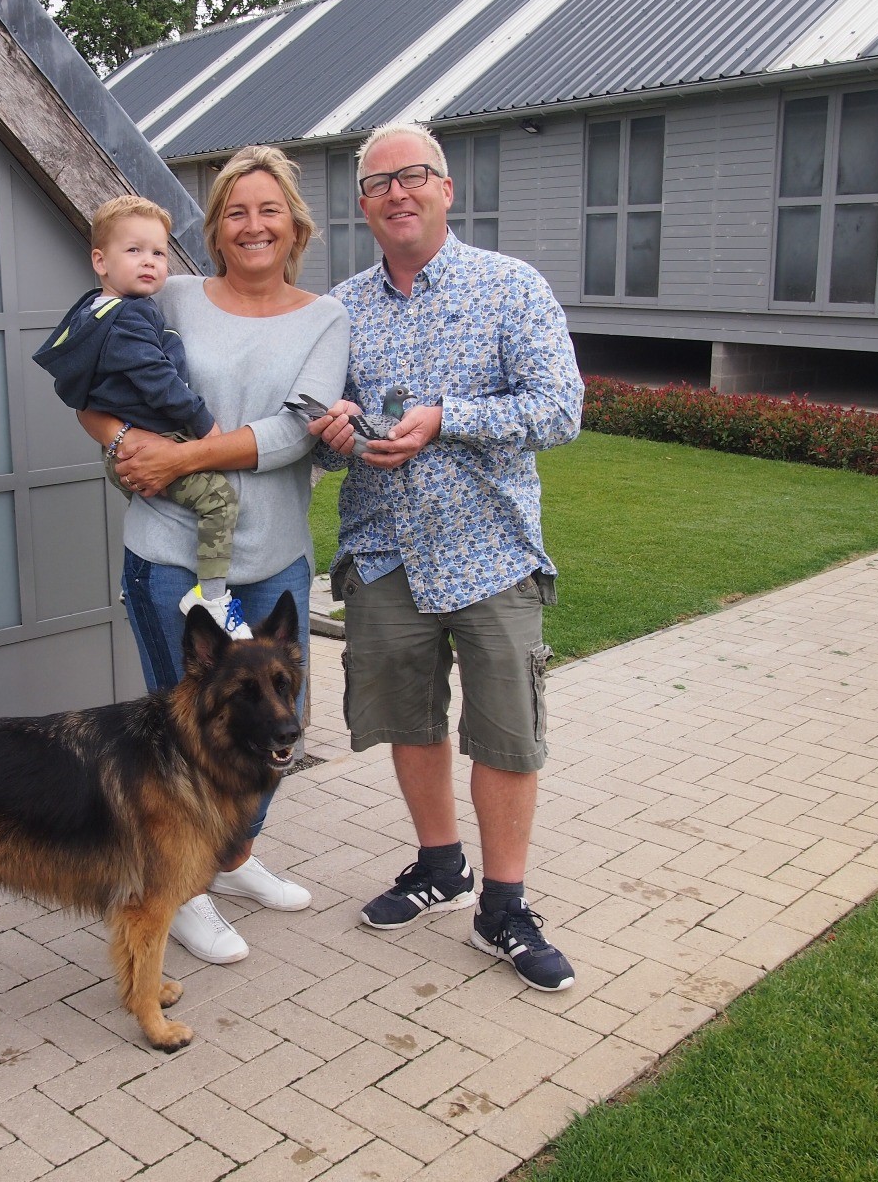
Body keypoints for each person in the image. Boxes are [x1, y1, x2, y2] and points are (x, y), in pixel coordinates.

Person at [309, 123, 584, 992]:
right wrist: (337, 433)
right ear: (362, 204)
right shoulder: (339, 310)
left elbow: (561, 408)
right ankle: (440, 866)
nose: (397, 192)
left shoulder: (510, 287)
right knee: (410, 720)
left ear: (446, 189)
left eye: (414, 175)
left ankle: (503, 906)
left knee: (506, 731)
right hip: (384, 553)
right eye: (378, 182)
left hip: (491, 553)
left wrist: (447, 417)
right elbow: (319, 433)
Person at [76, 146, 349, 964]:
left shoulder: (325, 318)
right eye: (235, 211)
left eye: (269, 210)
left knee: (276, 725)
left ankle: (228, 859)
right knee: (184, 743)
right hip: (172, 556)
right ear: (216, 229)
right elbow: (90, 386)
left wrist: (182, 456)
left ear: (295, 226)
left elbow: (295, 431)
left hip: (273, 563)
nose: (253, 225)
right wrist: (124, 446)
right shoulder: (170, 295)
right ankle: (181, 888)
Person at [34, 195, 251, 637]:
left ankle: (135, 584)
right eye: (134, 250)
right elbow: (159, 381)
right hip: (155, 442)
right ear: (100, 260)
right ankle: (211, 597)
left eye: (158, 252)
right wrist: (205, 425)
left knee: (165, 511)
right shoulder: (129, 317)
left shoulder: (94, 311)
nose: (149, 261)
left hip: (122, 452)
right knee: (220, 500)